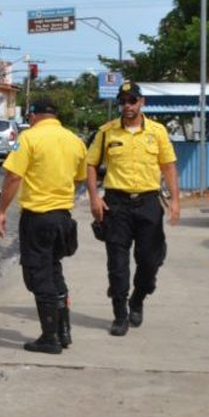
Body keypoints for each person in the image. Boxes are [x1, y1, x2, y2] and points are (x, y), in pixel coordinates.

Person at [86, 82, 180, 337]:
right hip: (116, 204)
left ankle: (138, 298)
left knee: (150, 260)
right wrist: (94, 198)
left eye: (132, 100)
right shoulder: (106, 132)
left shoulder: (157, 132)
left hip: (148, 203)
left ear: (142, 102)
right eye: (123, 101)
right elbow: (91, 165)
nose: (127, 105)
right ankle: (120, 314)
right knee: (117, 263)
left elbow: (168, 166)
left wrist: (175, 200)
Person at [0, 97, 87, 355]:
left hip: (38, 218)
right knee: (54, 271)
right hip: (63, 218)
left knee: (39, 276)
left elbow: (13, 176)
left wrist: (2, 210)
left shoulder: (27, 138)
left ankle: (50, 338)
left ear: (33, 115)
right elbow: (79, 178)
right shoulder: (75, 140)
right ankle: (63, 332)